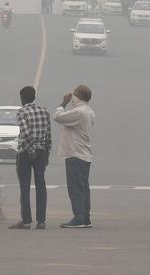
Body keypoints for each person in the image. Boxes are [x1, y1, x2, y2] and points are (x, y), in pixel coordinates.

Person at [9, 85, 52, 230]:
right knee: (41, 186)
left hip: (25, 152)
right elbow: (48, 136)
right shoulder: (44, 111)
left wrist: (31, 150)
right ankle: (41, 221)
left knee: (25, 187)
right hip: (41, 152)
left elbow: (26, 134)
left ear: (22, 98)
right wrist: (46, 155)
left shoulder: (21, 112)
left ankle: (26, 221)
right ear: (34, 97)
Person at [53, 84, 94, 228]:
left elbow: (57, 117)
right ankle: (85, 217)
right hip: (84, 154)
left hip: (75, 154)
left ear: (79, 97)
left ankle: (78, 218)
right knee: (83, 188)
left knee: (75, 188)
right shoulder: (88, 111)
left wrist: (63, 103)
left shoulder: (79, 112)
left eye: (74, 94)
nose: (72, 96)